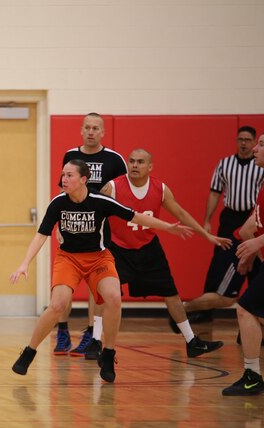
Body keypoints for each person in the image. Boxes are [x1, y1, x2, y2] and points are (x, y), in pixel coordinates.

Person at [10, 159, 192, 383]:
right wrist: (24, 263)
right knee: (57, 304)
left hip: (98, 258)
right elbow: (41, 235)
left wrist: (168, 228)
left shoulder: (100, 200)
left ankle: (108, 353)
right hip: (69, 259)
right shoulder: (58, 203)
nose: (63, 180)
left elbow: (134, 215)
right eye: (63, 175)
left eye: (69, 175)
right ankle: (29, 351)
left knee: (114, 298)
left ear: (83, 179)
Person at [100, 148, 228, 358]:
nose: (134, 165)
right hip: (118, 249)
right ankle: (96, 342)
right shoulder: (113, 187)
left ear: (150, 167)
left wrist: (207, 236)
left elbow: (181, 213)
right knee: (105, 296)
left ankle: (192, 341)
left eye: (140, 162)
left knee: (171, 293)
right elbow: (95, 210)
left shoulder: (160, 189)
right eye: (131, 161)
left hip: (149, 248)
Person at [55, 113, 128, 359]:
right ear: (81, 130)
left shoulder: (114, 159)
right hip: (71, 222)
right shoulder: (70, 156)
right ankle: (62, 331)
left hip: (99, 225)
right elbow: (61, 190)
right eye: (87, 127)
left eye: (96, 128)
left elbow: (124, 190)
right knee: (63, 281)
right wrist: (57, 223)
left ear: (103, 132)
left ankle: (91, 333)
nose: (91, 132)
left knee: (96, 283)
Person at [187, 126, 264, 326]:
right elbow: (215, 193)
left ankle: (251, 326)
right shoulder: (225, 164)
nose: (244, 143)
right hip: (230, 220)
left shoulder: (263, 167)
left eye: (248, 140)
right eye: (240, 139)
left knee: (257, 271)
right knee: (220, 269)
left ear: (254, 142)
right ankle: (201, 311)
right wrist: (206, 219)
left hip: (253, 218)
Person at [222, 128, 264, 396]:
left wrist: (256, 244)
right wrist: (250, 251)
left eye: (261, 144)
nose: (255, 148)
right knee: (254, 312)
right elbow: (251, 226)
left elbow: (255, 233)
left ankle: (253, 375)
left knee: (245, 309)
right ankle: (252, 374)